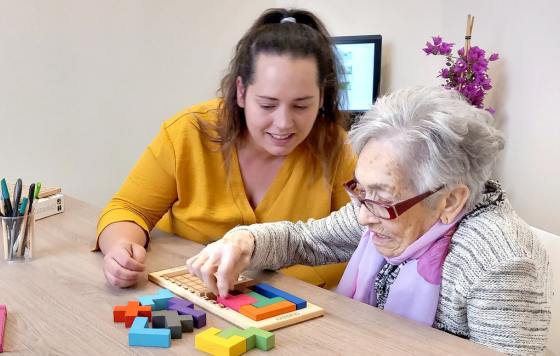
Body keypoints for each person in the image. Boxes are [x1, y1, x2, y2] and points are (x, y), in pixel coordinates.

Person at [187, 86, 552, 355]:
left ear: (450, 199)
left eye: (382, 198)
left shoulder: (501, 265)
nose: (363, 215)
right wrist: (244, 240)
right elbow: (307, 240)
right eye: (360, 190)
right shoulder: (385, 210)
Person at [95, 8, 355, 289]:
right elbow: (129, 208)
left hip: (296, 313)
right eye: (267, 105)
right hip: (186, 298)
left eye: (301, 106)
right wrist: (121, 247)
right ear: (241, 92)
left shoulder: (338, 149)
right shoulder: (188, 132)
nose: (283, 123)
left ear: (322, 97)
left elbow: (361, 239)